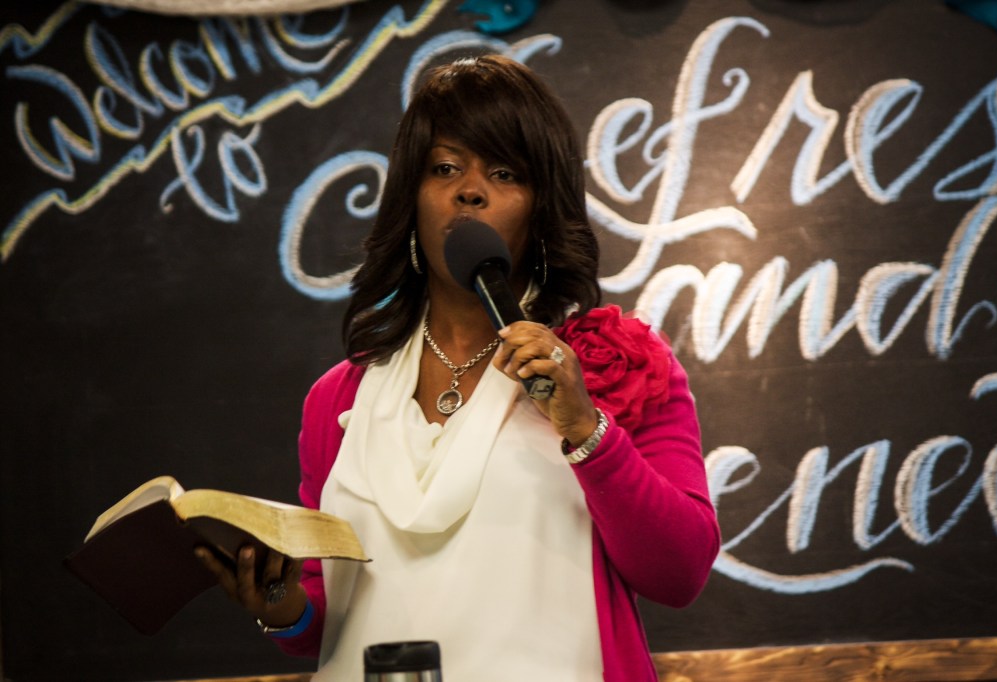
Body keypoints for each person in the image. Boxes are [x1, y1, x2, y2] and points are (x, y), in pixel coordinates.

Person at [196, 54, 720, 681]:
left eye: (504, 172)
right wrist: (282, 608)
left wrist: (586, 428)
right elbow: (328, 609)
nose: (470, 190)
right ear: (411, 200)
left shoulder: (613, 367)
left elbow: (680, 573)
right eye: (445, 168)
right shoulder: (338, 398)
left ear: (542, 208)